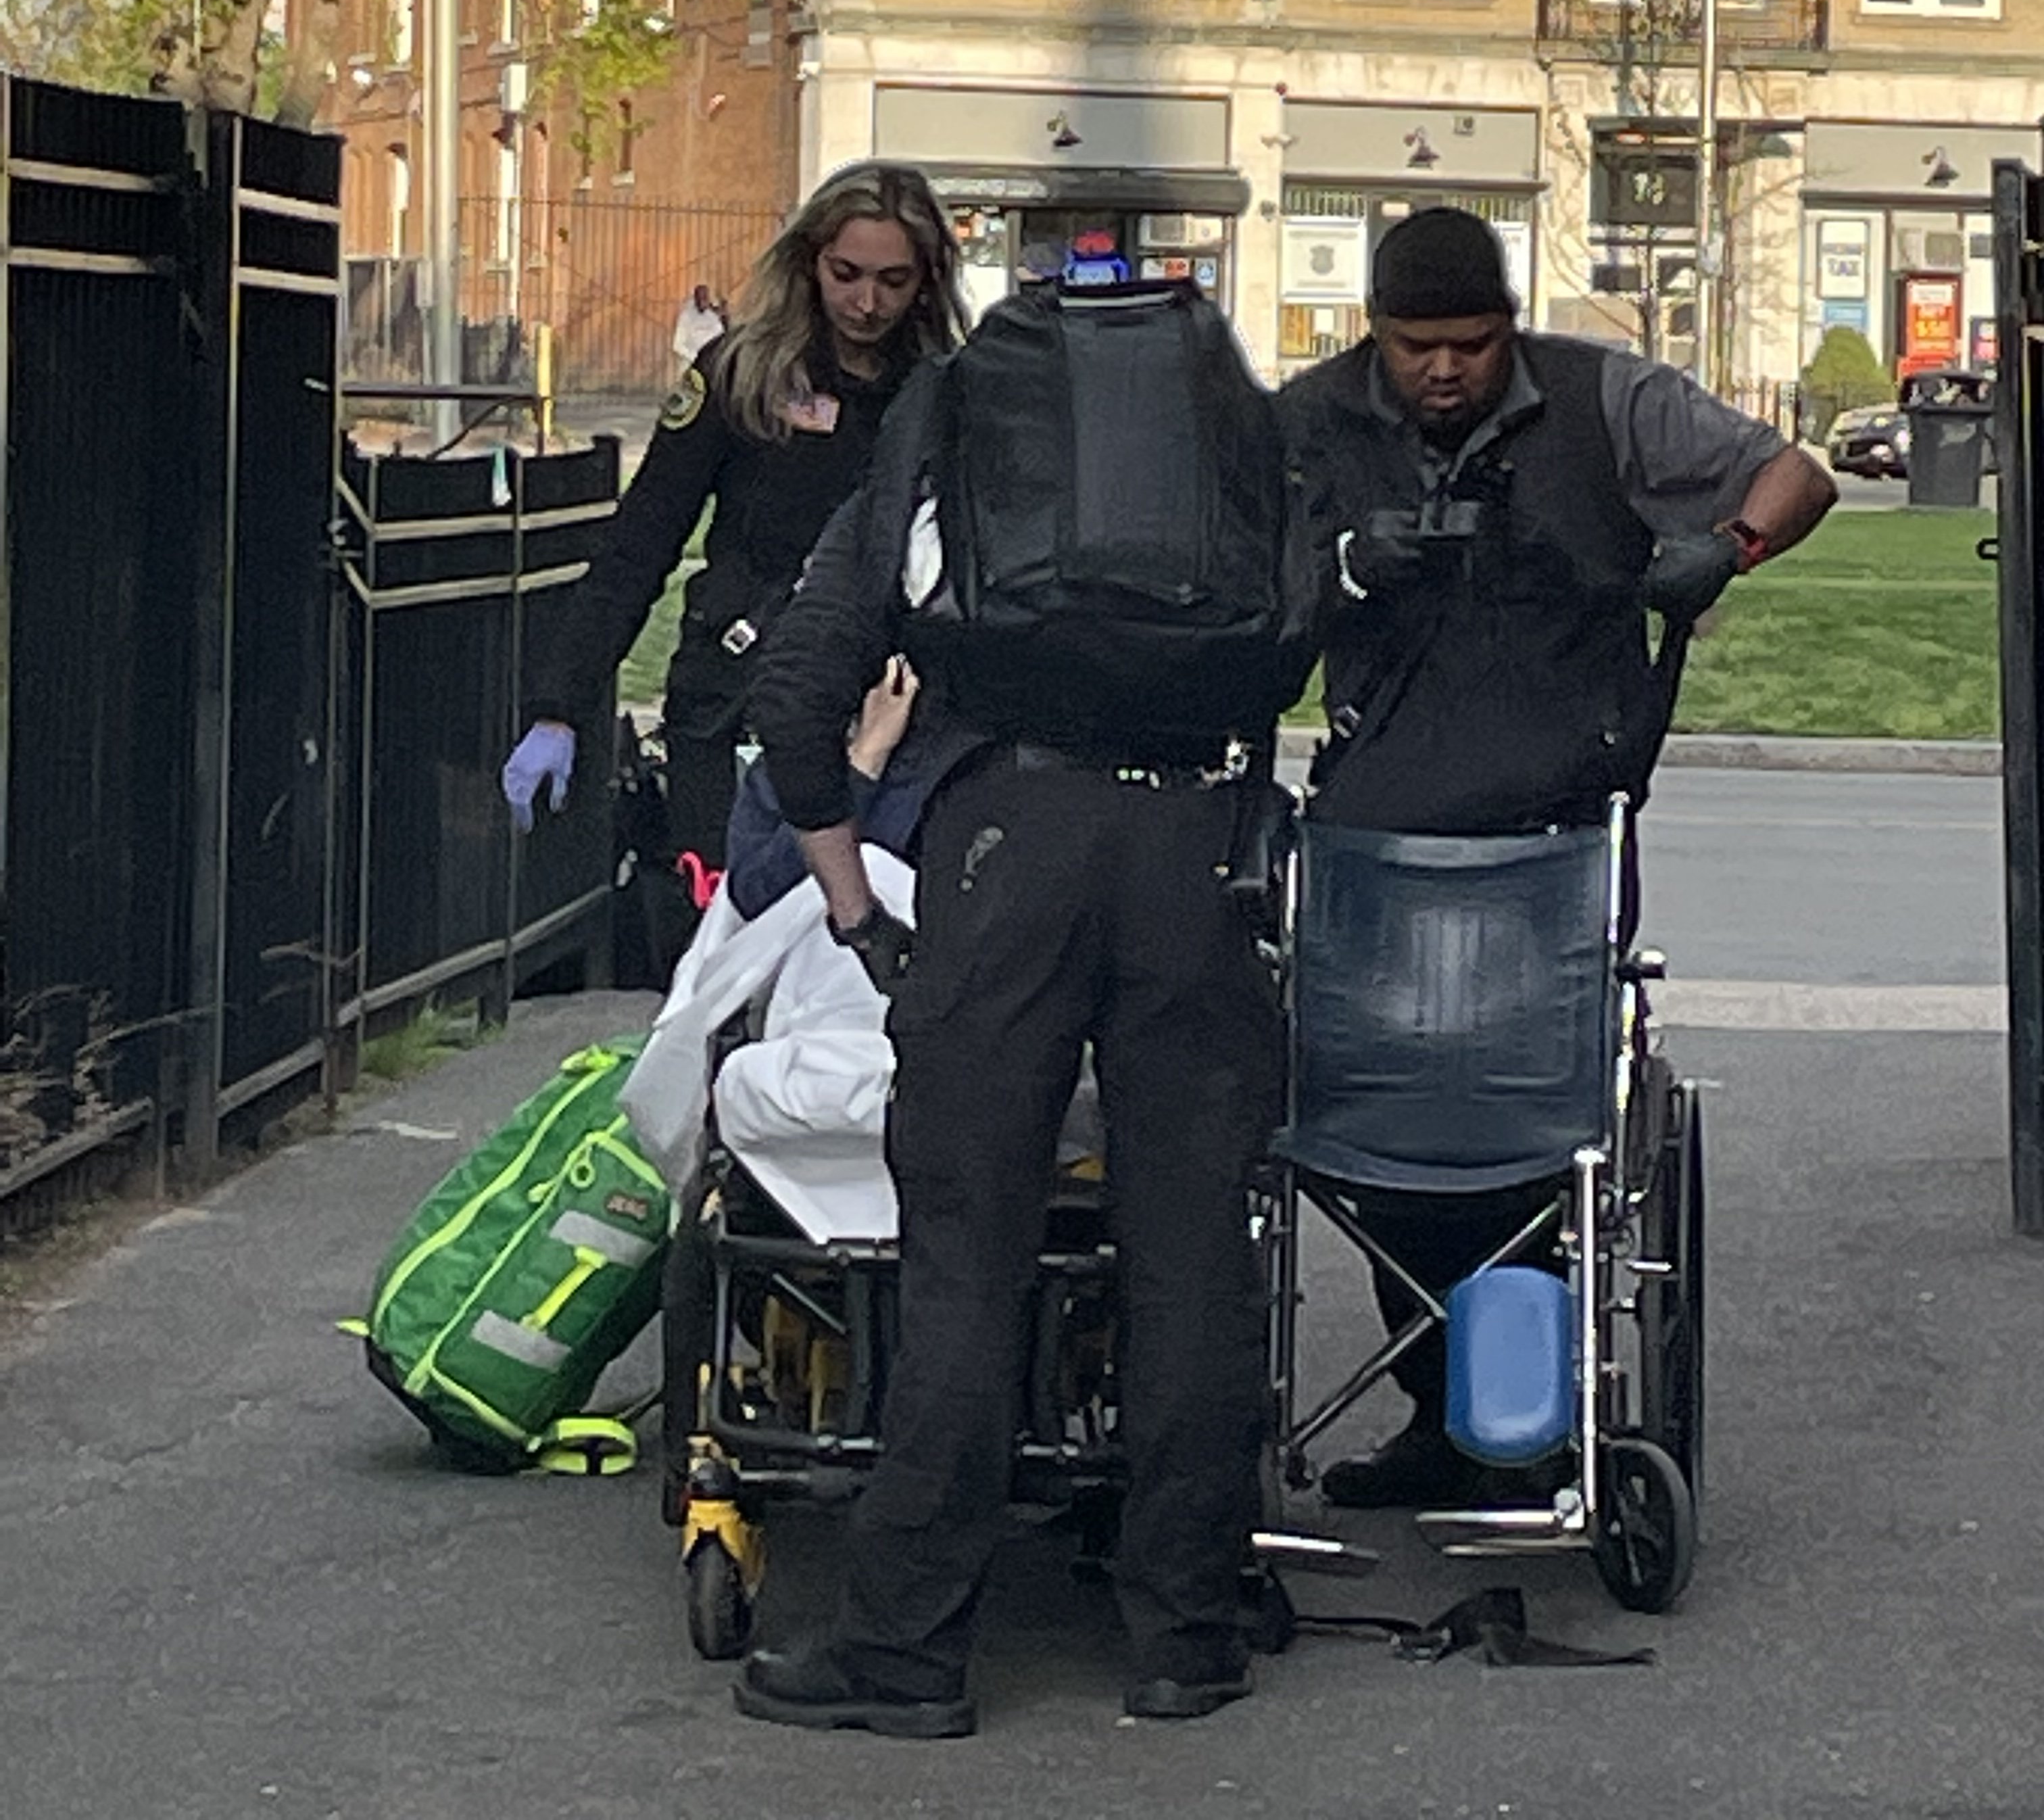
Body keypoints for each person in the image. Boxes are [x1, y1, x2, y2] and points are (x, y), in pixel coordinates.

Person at [727, 290, 1303, 1739]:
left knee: (965, 1253)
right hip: (1198, 842)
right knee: (1193, 1250)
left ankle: (907, 1645)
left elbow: (797, 692)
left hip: (1007, 846)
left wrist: (853, 908)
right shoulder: (1232, 429)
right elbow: (1305, 622)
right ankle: (1186, 1631)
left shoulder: (944, 429)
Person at [1279, 203, 1835, 1508]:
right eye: (1416, 347)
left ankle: (1522, 1408)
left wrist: (1723, 549)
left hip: (1555, 819)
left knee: (1532, 1138)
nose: (1444, 370)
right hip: (1379, 823)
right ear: (1372, 331)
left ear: (1508, 327)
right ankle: (1450, 1406)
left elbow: (1794, 475)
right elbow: (1239, 585)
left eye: (1472, 344)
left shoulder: (1601, 398)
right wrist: (1346, 567)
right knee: (1379, 1132)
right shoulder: (1304, 420)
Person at [500, 164, 965, 883]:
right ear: (810, 262)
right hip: (737, 691)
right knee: (729, 912)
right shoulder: (740, 374)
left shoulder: (949, 394)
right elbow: (640, 544)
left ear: (926, 281)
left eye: (893, 281)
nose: (867, 303)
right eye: (846, 274)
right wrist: (560, 705)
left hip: (889, 709)